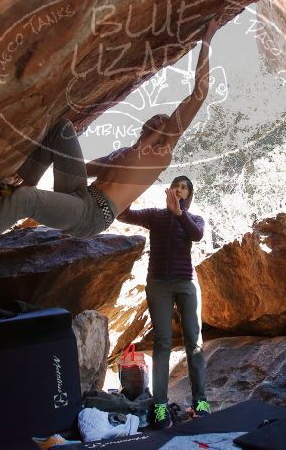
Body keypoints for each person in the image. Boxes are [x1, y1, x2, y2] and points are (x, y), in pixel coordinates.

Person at [0, 17, 222, 276]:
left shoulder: (161, 152)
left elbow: (198, 94)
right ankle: (17, 186)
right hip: (82, 195)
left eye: (165, 120)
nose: (160, 120)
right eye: (157, 118)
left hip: (93, 215)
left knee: (27, 202)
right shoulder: (125, 155)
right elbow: (79, 166)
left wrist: (207, 40)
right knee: (61, 130)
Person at [117, 175, 209, 429]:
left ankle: (200, 402)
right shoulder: (154, 215)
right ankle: (160, 406)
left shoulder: (194, 219)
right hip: (158, 285)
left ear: (189, 195)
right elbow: (123, 214)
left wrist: (178, 213)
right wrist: (134, 186)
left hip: (186, 284)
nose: (180, 190)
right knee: (163, 343)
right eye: (176, 186)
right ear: (169, 190)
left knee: (195, 341)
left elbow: (197, 235)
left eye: (185, 188)